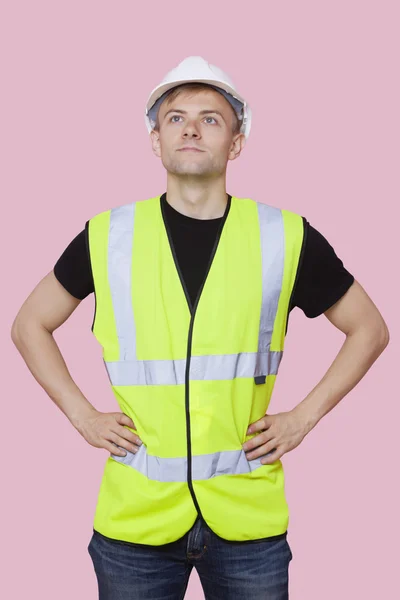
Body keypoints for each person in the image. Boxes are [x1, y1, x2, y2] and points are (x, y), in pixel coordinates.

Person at [11, 56, 389, 600]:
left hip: (248, 521)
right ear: (156, 140)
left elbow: (370, 330)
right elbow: (29, 325)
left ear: (236, 144)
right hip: (134, 523)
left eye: (211, 119)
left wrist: (303, 419)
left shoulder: (284, 236)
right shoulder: (107, 236)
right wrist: (81, 415)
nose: (190, 128)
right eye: (175, 117)